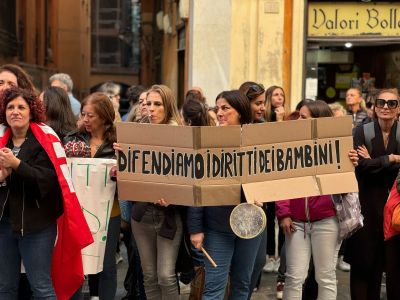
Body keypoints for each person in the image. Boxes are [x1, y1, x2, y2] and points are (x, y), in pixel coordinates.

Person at [0, 87, 92, 299]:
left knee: (41, 287)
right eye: (10, 107)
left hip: (37, 226)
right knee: (5, 287)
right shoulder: (2, 140)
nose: (15, 111)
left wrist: (16, 164)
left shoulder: (45, 140)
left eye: (21, 107)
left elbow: (47, 181)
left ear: (31, 111)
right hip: (5, 226)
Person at [187, 90, 263, 300]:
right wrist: (195, 229)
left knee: (242, 283)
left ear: (240, 112)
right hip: (217, 227)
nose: (219, 113)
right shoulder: (207, 142)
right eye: (217, 107)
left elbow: (271, 177)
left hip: (250, 224)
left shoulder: (258, 142)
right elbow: (197, 188)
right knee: (213, 288)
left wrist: (263, 192)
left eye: (225, 108)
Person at [276, 100, 344, 300]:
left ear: (319, 120)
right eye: (298, 116)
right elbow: (281, 180)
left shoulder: (335, 145)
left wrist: (351, 161)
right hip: (295, 221)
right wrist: (284, 213)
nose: (298, 120)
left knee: (326, 276)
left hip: (327, 220)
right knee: (294, 277)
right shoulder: (289, 144)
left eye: (303, 117)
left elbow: (344, 181)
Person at [127, 84, 183, 300]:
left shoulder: (181, 136)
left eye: (157, 104)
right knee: (149, 276)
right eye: (148, 103)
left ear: (167, 106)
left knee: (166, 276)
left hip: (170, 215)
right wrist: (123, 157)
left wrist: (174, 198)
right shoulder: (136, 134)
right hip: (142, 214)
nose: (151, 109)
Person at [64, 92, 120, 300]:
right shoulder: (72, 140)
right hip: (77, 212)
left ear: (105, 117)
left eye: (91, 116)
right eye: (83, 114)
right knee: (78, 264)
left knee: (106, 265)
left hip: (109, 212)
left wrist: (123, 170)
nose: (85, 120)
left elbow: (132, 183)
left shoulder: (120, 144)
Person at [346, 89, 400, 300]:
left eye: (392, 103)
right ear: (375, 107)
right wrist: (393, 159)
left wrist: (373, 161)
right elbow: (361, 167)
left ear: (398, 109)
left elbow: (368, 165)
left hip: (396, 211)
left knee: (396, 270)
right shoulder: (361, 131)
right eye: (381, 102)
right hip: (365, 210)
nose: (386, 106)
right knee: (363, 267)